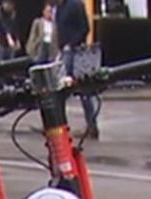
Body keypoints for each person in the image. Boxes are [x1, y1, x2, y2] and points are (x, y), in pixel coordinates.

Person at [55, 0, 99, 138]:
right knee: (62, 89)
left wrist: (72, 44)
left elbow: (85, 28)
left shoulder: (75, 5)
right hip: (65, 52)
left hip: (76, 52)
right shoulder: (60, 7)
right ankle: (61, 125)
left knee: (82, 89)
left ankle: (91, 126)